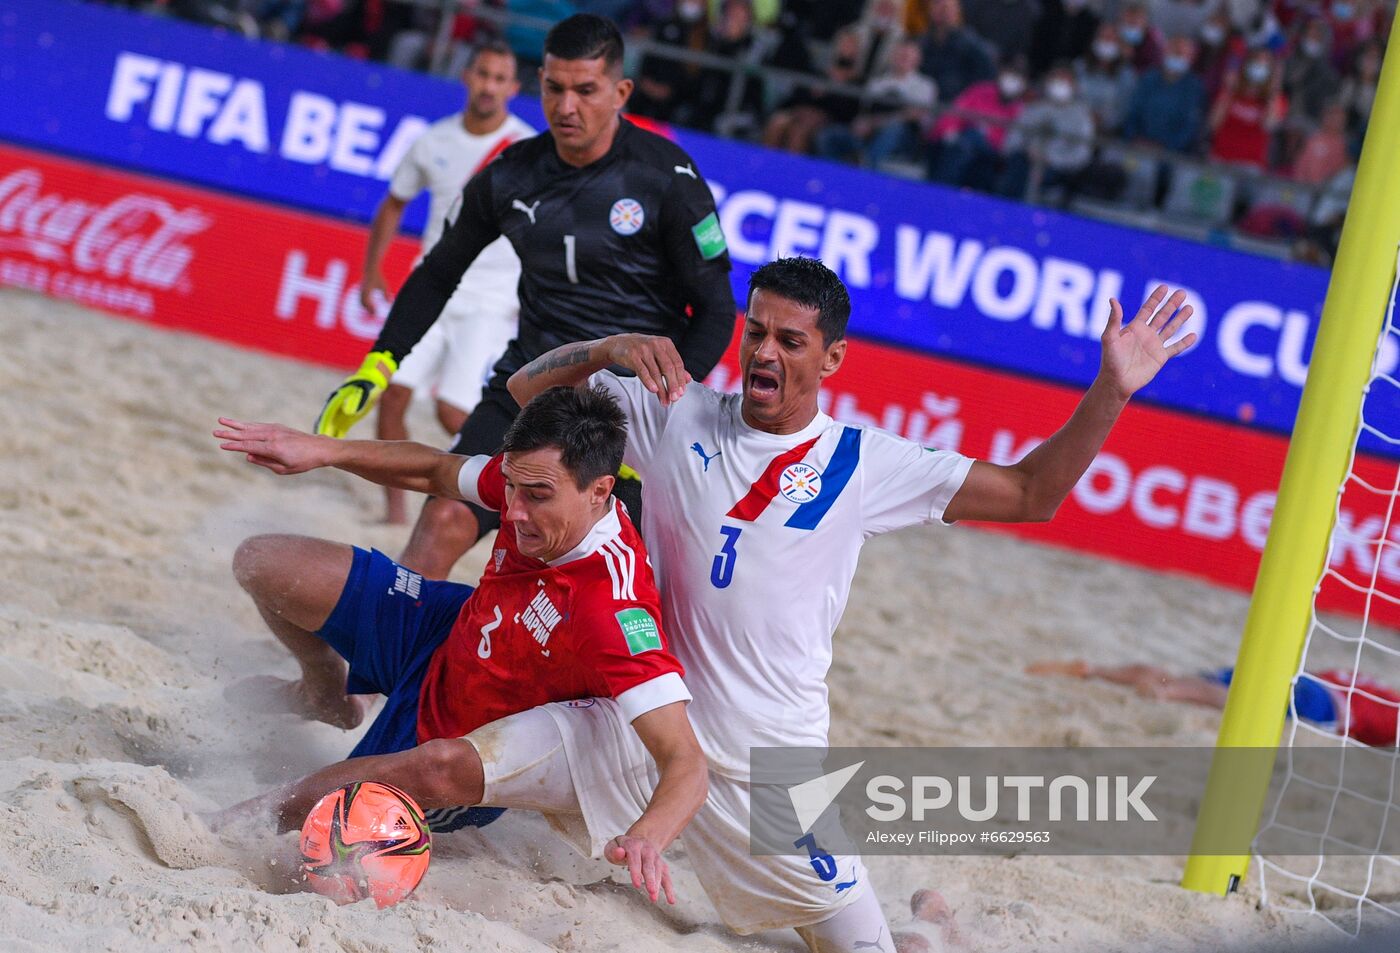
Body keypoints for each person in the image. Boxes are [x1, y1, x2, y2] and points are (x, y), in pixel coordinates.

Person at [504, 258, 1196, 951]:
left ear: (833, 357)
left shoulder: (862, 464)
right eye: (757, 331)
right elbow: (522, 389)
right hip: (649, 728)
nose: (764, 352)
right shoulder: (674, 412)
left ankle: (927, 927)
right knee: (462, 774)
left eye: (790, 340)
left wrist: (1112, 386)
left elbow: (1030, 494)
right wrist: (607, 348)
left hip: (776, 769)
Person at [214, 385, 708, 903]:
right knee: (264, 560)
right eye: (511, 487)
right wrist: (325, 451)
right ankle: (323, 693)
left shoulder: (613, 607)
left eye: (535, 496)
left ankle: (237, 818)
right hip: (440, 633)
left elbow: (686, 762)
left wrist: (648, 837)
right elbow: (432, 470)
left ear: (600, 490)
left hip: (447, 733)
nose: (512, 512)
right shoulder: (535, 481)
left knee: (321, 858)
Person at [315, 14, 736, 580]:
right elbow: (438, 271)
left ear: (620, 92)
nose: (567, 107)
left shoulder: (671, 179)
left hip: (629, 410)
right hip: (529, 385)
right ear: (538, 83)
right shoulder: (511, 173)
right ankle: (384, 664)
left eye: (585, 91)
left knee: (592, 582)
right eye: (554, 88)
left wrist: (667, 412)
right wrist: (379, 362)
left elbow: (715, 309)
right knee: (441, 522)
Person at [360, 42, 536, 526]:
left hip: (491, 300)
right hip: (434, 290)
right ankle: (396, 512)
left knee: (453, 414)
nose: (490, 86)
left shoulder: (525, 149)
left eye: (501, 79)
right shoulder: (432, 140)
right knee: (392, 395)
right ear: (467, 75)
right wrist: (372, 268)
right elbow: (393, 203)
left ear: (514, 89)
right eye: (483, 74)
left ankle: (519, 493)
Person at [1028, 660, 1400, 747]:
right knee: (1230, 701)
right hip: (1325, 707)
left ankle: (1094, 671)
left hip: (1300, 673)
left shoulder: (1379, 689)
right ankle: (1167, 692)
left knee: (1188, 680)